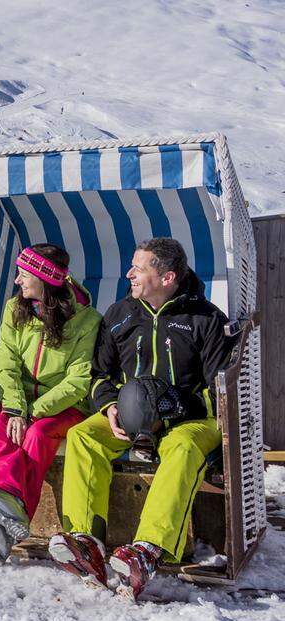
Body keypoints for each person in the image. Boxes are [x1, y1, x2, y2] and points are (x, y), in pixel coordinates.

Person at [49, 238, 233, 600]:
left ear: (167, 277)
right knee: (84, 435)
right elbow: (99, 376)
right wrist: (109, 407)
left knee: (182, 447)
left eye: (139, 268)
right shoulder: (120, 315)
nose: (129, 274)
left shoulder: (207, 319)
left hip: (188, 421)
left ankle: (148, 549)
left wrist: (174, 407)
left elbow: (218, 391)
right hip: (129, 417)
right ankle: (86, 541)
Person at [0, 244, 101, 565]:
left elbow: (79, 379)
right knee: (1, 424)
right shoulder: (16, 308)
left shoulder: (87, 321)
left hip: (67, 406)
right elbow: (5, 360)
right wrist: (15, 408)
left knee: (37, 434)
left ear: (44, 278)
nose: (17, 280)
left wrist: (34, 412)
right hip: (21, 402)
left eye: (24, 274)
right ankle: (10, 513)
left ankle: (6, 518)